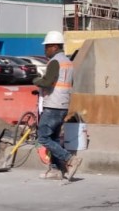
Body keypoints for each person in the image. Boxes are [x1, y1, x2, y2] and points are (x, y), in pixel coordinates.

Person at [32, 30, 82, 182]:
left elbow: (47, 82)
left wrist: (36, 81)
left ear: (54, 46)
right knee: (53, 137)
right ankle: (56, 170)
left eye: (46, 47)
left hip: (53, 104)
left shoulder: (55, 62)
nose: (45, 50)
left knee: (43, 137)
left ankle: (70, 159)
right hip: (63, 104)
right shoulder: (68, 62)